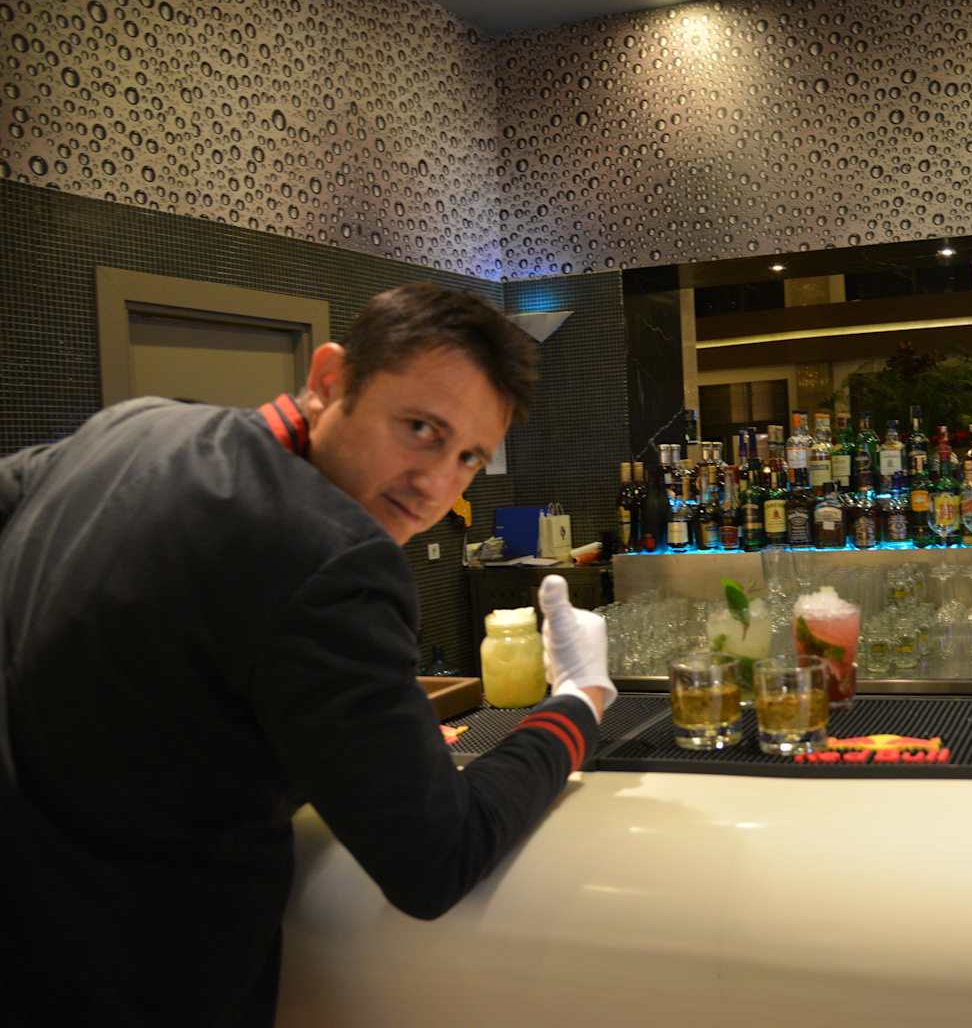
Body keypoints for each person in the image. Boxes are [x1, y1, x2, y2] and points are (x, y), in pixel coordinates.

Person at [0, 283, 615, 1025]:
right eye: (420, 428)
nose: (436, 485)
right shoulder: (335, 557)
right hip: (135, 979)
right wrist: (577, 702)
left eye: (468, 457)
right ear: (329, 379)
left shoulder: (132, 426)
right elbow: (437, 857)